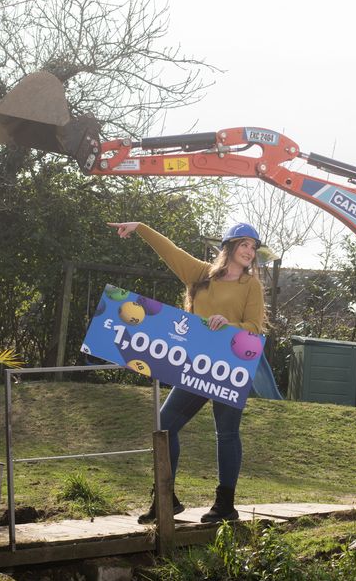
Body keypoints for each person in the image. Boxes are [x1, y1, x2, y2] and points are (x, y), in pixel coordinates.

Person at [108, 221, 265, 523]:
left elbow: (255, 329)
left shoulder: (251, 286)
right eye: (244, 244)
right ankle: (165, 499)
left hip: (231, 364)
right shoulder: (201, 274)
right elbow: (172, 252)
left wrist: (228, 324)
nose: (249, 252)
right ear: (229, 247)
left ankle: (225, 506)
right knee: (165, 424)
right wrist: (141, 227)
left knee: (227, 433)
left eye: (253, 247)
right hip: (196, 363)